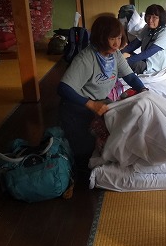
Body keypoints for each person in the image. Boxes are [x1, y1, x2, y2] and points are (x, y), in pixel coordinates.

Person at [57, 14, 147, 169]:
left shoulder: (115, 55)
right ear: (100, 38)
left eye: (119, 38)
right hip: (77, 106)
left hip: (98, 103)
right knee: (83, 152)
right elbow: (63, 88)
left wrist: (143, 90)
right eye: (112, 38)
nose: (116, 43)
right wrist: (91, 104)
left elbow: (130, 77)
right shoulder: (86, 58)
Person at [121, 4, 166, 75]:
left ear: (161, 19)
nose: (150, 20)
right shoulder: (147, 28)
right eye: (148, 16)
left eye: (154, 17)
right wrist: (119, 53)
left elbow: (149, 52)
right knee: (123, 56)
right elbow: (134, 44)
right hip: (145, 59)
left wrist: (127, 60)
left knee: (124, 64)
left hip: (154, 67)